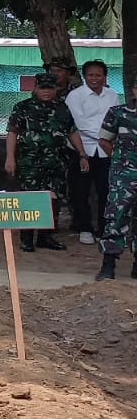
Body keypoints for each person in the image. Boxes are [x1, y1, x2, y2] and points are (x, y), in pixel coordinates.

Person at [5, 72, 78, 252]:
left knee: (53, 200)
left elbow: (72, 132)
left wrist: (82, 154)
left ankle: (46, 237)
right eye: (42, 87)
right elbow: (12, 133)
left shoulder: (63, 108)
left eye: (50, 88)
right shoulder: (22, 107)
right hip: (30, 163)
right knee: (29, 199)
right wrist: (10, 157)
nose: (46, 91)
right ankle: (27, 238)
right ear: (35, 88)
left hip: (56, 163)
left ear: (55, 89)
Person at [67, 59, 121, 245]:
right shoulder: (75, 96)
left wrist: (107, 138)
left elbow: (115, 119)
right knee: (80, 191)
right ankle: (85, 228)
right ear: (85, 76)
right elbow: (78, 124)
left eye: (98, 75)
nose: (94, 78)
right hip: (81, 149)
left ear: (104, 76)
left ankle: (103, 228)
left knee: (105, 190)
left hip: (106, 150)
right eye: (91, 75)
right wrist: (102, 136)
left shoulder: (112, 95)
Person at [95, 97, 137, 281]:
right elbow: (104, 140)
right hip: (123, 176)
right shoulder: (117, 112)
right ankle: (108, 265)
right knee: (116, 217)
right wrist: (121, 162)